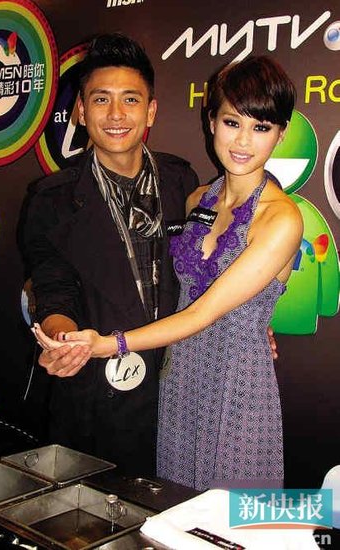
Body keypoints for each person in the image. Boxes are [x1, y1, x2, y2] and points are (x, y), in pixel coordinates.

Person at [34, 55, 303, 490]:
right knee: (174, 510)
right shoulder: (195, 196)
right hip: (177, 385)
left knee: (226, 515)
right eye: (232, 122)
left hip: (235, 390)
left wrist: (108, 344)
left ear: (281, 133)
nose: (243, 141)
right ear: (211, 121)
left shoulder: (281, 218)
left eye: (261, 127)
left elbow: (204, 312)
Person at [19, 32, 200, 476]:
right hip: (99, 401)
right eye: (101, 100)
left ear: (150, 110)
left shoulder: (181, 181)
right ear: (81, 111)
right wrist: (64, 341)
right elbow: (55, 289)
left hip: (182, 393)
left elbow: (206, 270)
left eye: (130, 100)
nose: (116, 114)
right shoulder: (52, 200)